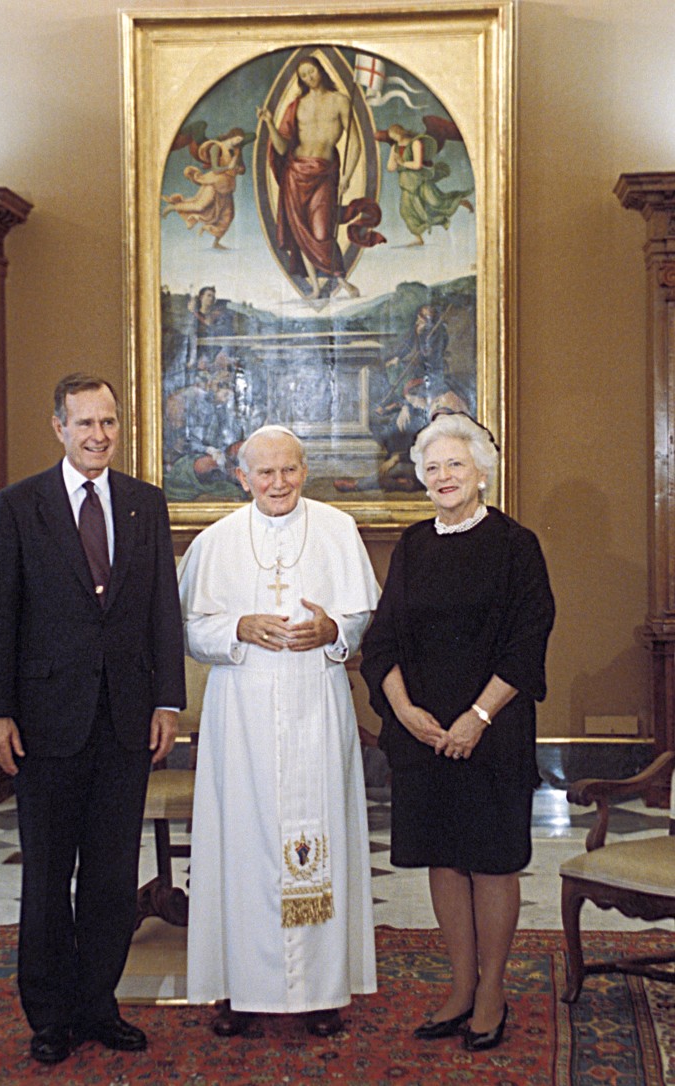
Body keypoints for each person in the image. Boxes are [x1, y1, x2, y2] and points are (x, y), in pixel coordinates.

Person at [0, 373, 186, 1066]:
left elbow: (162, 611)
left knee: (108, 875)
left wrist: (167, 701)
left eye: (110, 423)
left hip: (126, 723)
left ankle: (99, 1004)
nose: (99, 435)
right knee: (46, 877)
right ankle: (50, 1015)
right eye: (86, 423)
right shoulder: (18, 506)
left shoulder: (144, 505)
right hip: (44, 724)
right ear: (59, 427)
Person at [360, 410, 554, 1053]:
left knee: (491, 861)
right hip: (423, 735)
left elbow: (528, 644)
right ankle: (460, 986)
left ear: (481, 473)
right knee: (443, 857)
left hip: (492, 732)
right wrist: (405, 712)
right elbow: (380, 640)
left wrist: (476, 717)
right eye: (433, 467)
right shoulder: (413, 546)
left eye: (456, 465)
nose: (444, 476)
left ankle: (493, 990)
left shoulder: (514, 545)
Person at [178, 425, 379, 1037]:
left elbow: (365, 612)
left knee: (322, 834)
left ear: (304, 470)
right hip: (240, 713)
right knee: (240, 844)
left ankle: (321, 992)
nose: (278, 483)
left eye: (289, 470)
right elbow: (188, 630)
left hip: (316, 703)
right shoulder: (215, 542)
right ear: (242, 478)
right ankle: (241, 989)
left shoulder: (338, 530)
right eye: (264, 473)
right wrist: (238, 627)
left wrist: (334, 633)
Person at [257, 56, 361, 299]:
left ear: (321, 70)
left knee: (322, 230)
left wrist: (348, 174)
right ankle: (315, 286)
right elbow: (282, 149)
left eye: (311, 72)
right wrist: (270, 124)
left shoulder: (340, 101)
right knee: (301, 232)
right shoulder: (296, 105)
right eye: (303, 75)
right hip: (296, 173)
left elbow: (355, 140)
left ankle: (342, 280)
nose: (309, 78)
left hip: (324, 173)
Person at [383, 123, 473, 245]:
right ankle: (419, 239)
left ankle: (460, 201)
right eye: (392, 137)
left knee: (436, 202)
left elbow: (417, 165)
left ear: (400, 132)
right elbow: (390, 167)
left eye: (395, 136)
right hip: (406, 184)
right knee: (406, 211)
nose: (394, 139)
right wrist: (394, 161)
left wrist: (402, 163)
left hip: (420, 181)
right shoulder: (395, 147)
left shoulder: (415, 143)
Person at [161, 130, 247, 250]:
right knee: (200, 206)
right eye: (237, 138)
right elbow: (216, 169)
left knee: (228, 215)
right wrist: (229, 167)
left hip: (227, 186)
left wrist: (238, 165)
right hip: (214, 182)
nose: (238, 142)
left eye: (240, 141)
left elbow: (243, 170)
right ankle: (173, 207)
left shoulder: (236, 151)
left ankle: (216, 242)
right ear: (231, 136)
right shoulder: (216, 147)